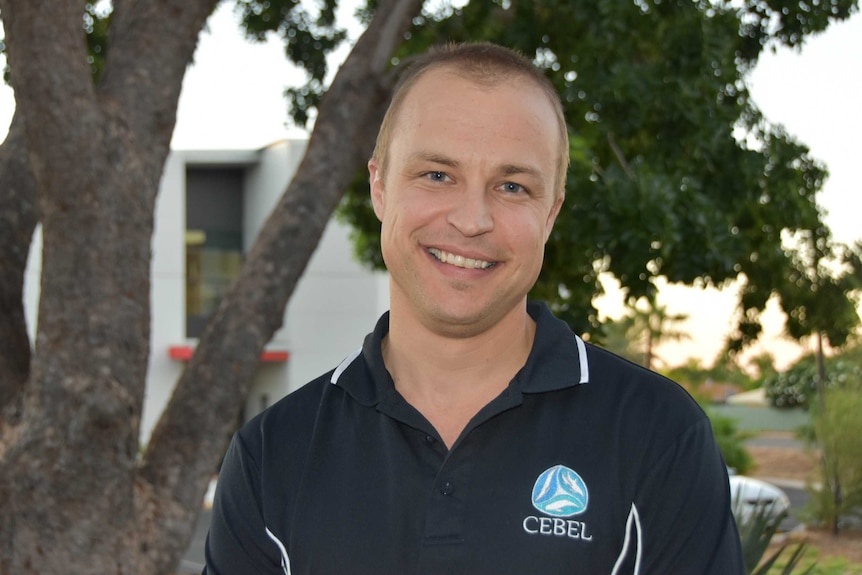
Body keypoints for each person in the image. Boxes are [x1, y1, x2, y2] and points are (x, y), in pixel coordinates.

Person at [203, 42, 744, 574]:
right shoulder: (272, 454)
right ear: (380, 187)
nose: (471, 219)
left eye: (512, 186)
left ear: (551, 213)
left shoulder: (658, 434)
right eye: (438, 175)